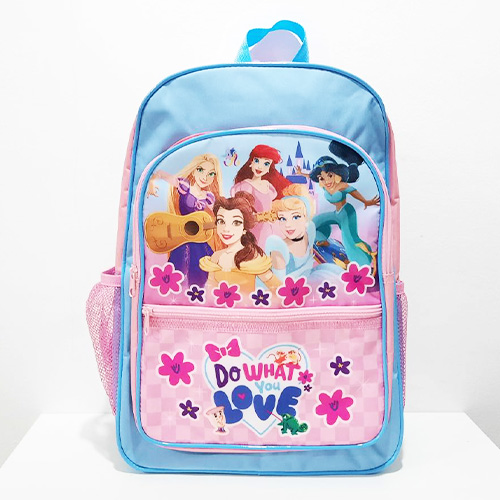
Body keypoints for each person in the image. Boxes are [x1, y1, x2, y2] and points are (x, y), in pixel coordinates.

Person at [146, 153, 222, 286]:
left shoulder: (208, 197)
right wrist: (151, 183)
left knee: (200, 270)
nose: (205, 177)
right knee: (177, 268)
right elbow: (160, 173)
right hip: (179, 235)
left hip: (198, 240)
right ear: (194, 170)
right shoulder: (185, 186)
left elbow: (220, 215)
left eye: (211, 174)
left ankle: (196, 293)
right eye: (200, 170)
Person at [297, 155, 379, 268]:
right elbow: (312, 176)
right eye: (322, 178)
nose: (327, 181)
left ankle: (362, 260)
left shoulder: (342, 186)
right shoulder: (325, 186)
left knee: (350, 240)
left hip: (346, 213)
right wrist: (301, 173)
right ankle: (323, 240)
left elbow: (354, 192)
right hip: (336, 214)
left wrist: (366, 201)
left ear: (337, 174)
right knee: (313, 224)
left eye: (330, 175)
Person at [199, 192, 281, 295]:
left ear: (244, 228)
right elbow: (210, 291)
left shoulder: (252, 256)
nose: (226, 229)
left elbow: (278, 289)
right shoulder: (216, 257)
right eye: (221, 221)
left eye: (236, 223)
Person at [231, 145, 291, 247]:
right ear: (251, 163)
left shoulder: (268, 186)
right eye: (257, 161)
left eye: (266, 163)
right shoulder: (245, 186)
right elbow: (240, 211)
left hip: (271, 228)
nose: (260, 167)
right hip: (254, 229)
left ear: (269, 168)